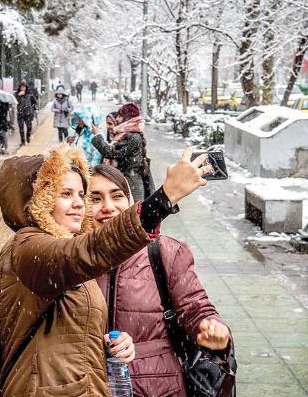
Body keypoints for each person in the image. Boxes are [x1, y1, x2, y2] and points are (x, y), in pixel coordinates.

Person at [0, 143, 214, 396]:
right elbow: (83, 254)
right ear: (37, 201)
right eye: (65, 193)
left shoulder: (67, 247)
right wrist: (164, 199)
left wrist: (113, 345)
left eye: (81, 194)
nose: (79, 204)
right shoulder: (28, 247)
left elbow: (67, 335)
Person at [92, 164, 234, 397]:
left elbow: (195, 306)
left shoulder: (164, 251)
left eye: (117, 195)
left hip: (159, 386)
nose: (108, 207)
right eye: (95, 198)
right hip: (90, 385)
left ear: (130, 202)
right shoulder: (72, 261)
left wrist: (210, 327)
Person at [91, 102, 154, 200]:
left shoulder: (133, 136)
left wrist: (97, 136)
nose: (117, 119)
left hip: (132, 183)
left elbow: (111, 153)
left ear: (127, 118)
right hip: (128, 180)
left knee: (132, 212)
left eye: (120, 116)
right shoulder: (127, 134)